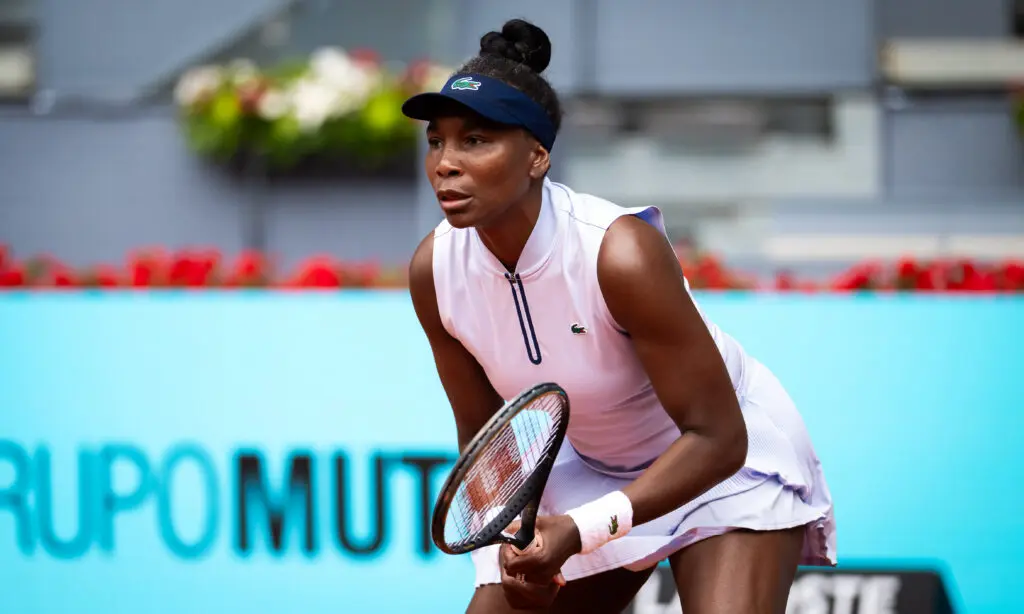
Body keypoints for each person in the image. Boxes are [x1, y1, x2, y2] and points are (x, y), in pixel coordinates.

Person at [403, 18, 835, 614]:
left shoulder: (619, 252)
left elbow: (719, 438)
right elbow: (486, 441)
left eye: (475, 140)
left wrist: (582, 530)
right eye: (436, 141)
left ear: (537, 156)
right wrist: (506, 549)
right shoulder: (435, 271)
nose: (445, 163)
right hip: (596, 467)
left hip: (719, 461)